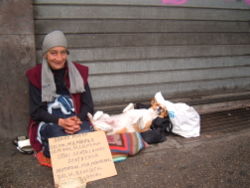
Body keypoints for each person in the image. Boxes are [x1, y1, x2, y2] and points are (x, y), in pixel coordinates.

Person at [26, 30, 94, 159]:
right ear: (45, 54)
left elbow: (88, 105)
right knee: (58, 135)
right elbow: (36, 112)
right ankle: (50, 147)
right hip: (51, 121)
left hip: (75, 120)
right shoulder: (35, 75)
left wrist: (78, 120)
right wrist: (61, 122)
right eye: (53, 53)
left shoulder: (79, 72)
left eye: (63, 52)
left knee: (87, 133)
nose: (59, 58)